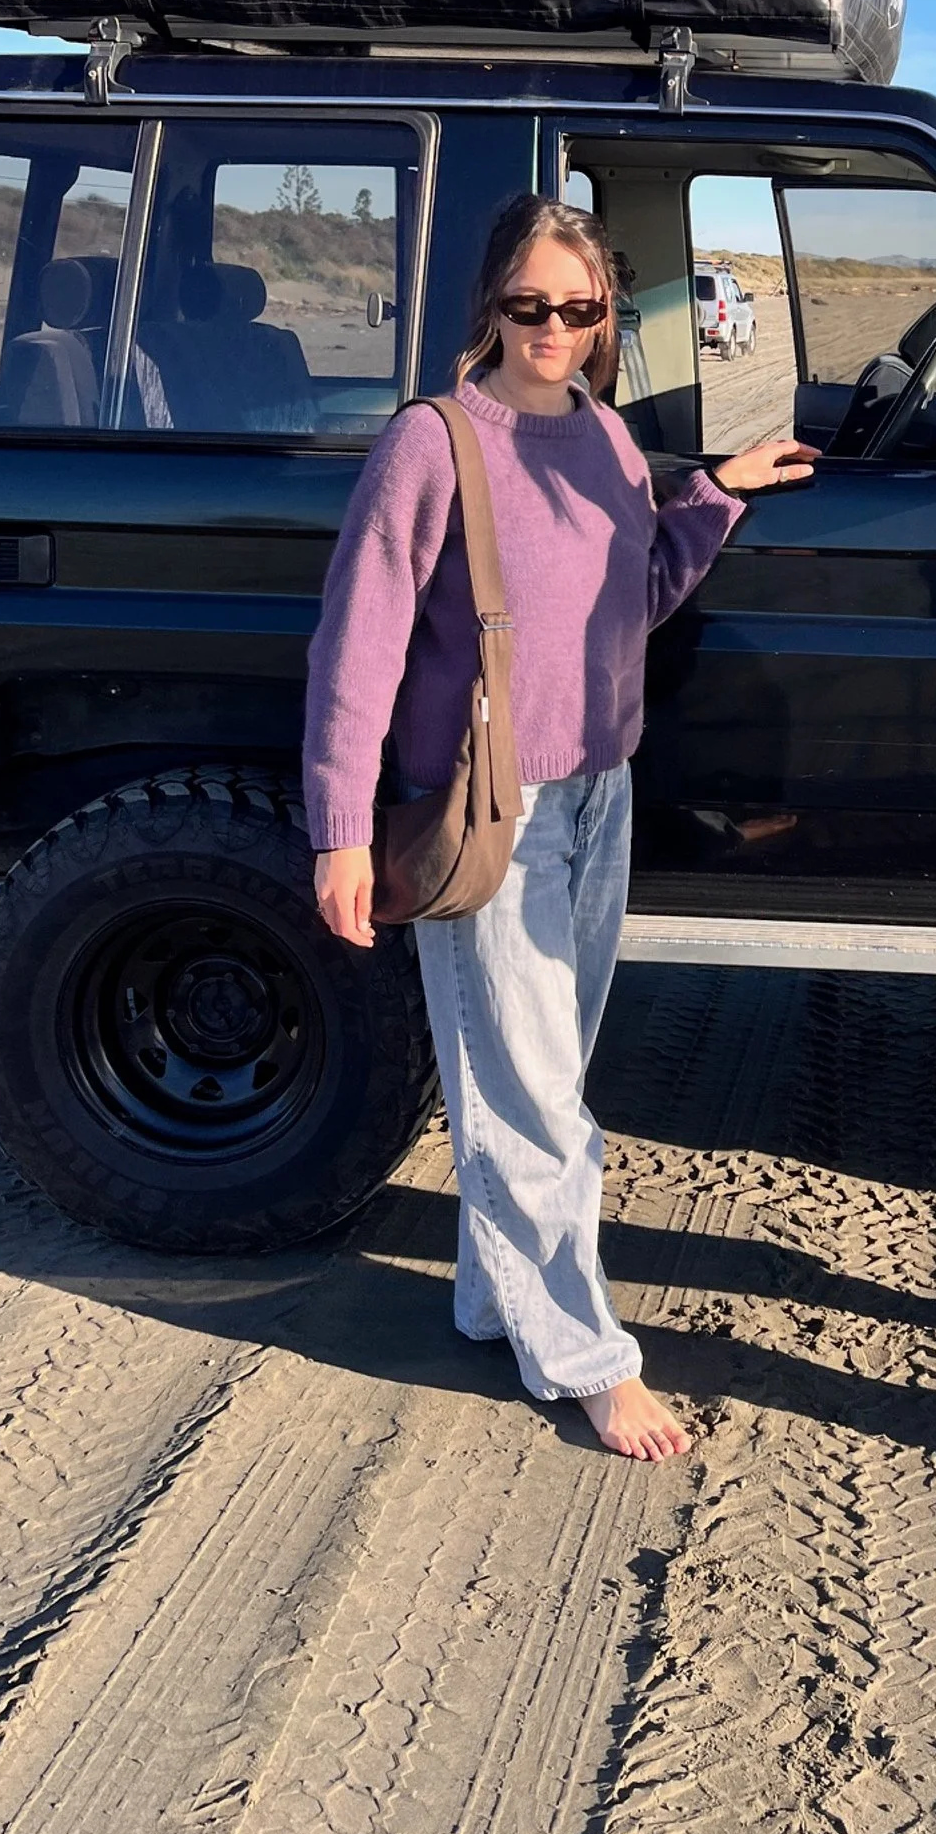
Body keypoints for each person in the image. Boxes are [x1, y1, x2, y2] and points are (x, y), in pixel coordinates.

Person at [304, 195, 816, 1461]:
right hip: (494, 807)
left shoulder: (605, 435)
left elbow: (633, 599)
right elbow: (357, 643)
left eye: (580, 308)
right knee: (533, 1096)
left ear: (605, 316)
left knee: (534, 1076)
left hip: (601, 792)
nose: (554, 327)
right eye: (530, 305)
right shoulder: (431, 444)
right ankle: (586, 1357)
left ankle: (497, 1303)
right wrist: (340, 826)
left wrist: (714, 496)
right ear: (494, 303)